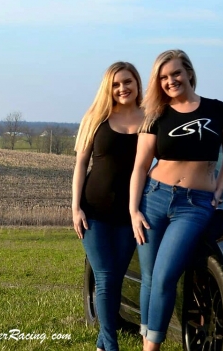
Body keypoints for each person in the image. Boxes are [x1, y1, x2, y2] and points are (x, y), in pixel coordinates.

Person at [129, 49, 223, 351]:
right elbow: (140, 166)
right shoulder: (156, 115)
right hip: (153, 198)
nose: (170, 81)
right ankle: (146, 342)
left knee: (164, 277)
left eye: (175, 73)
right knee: (150, 277)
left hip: (194, 206)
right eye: (163, 77)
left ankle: (152, 347)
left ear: (189, 72)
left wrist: (218, 190)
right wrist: (133, 210)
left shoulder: (218, 110)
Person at [73, 61, 144, 351]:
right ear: (108, 88)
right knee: (104, 277)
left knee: (115, 278)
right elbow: (80, 164)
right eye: (116, 84)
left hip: (131, 214)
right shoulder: (96, 118)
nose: (122, 88)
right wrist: (75, 208)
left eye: (127, 81)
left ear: (137, 83)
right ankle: (111, 345)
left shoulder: (151, 119)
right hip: (95, 211)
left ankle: (103, 343)